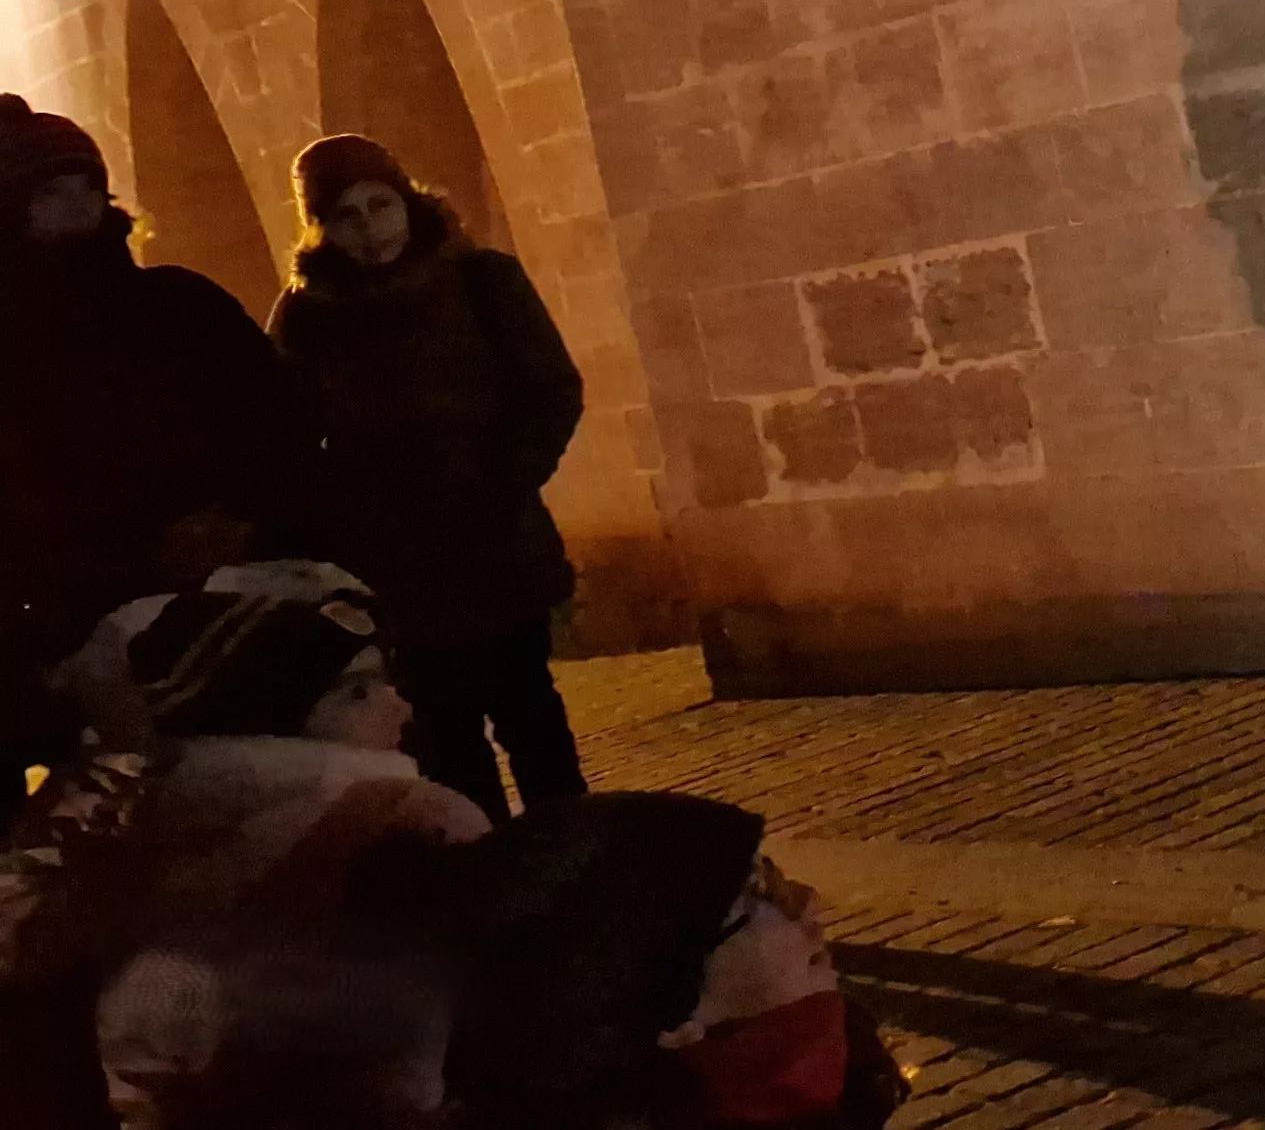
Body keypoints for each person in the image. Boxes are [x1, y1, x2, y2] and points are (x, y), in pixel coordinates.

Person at [0, 98, 307, 816]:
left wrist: (240, 522)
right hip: (58, 635)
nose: (77, 206)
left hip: (214, 600)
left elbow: (276, 424)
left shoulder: (179, 306)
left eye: (86, 185)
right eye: (51, 191)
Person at [272, 136, 589, 821]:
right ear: (322, 228)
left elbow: (549, 388)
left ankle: (574, 864)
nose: (369, 229)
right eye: (346, 216)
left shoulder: (482, 283)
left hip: (493, 545)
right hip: (396, 569)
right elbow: (288, 434)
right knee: (444, 744)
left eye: (380, 206)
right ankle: (486, 881)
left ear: (408, 202)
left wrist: (505, 475)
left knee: (532, 722)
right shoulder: (309, 317)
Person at [88, 591, 492, 1126]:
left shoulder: (138, 832)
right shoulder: (413, 813)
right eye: (356, 693)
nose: (399, 704)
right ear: (272, 713)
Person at [444, 792, 907, 1129]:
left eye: (774, 876)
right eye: (755, 897)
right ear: (672, 1018)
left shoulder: (842, 1075)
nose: (807, 904)